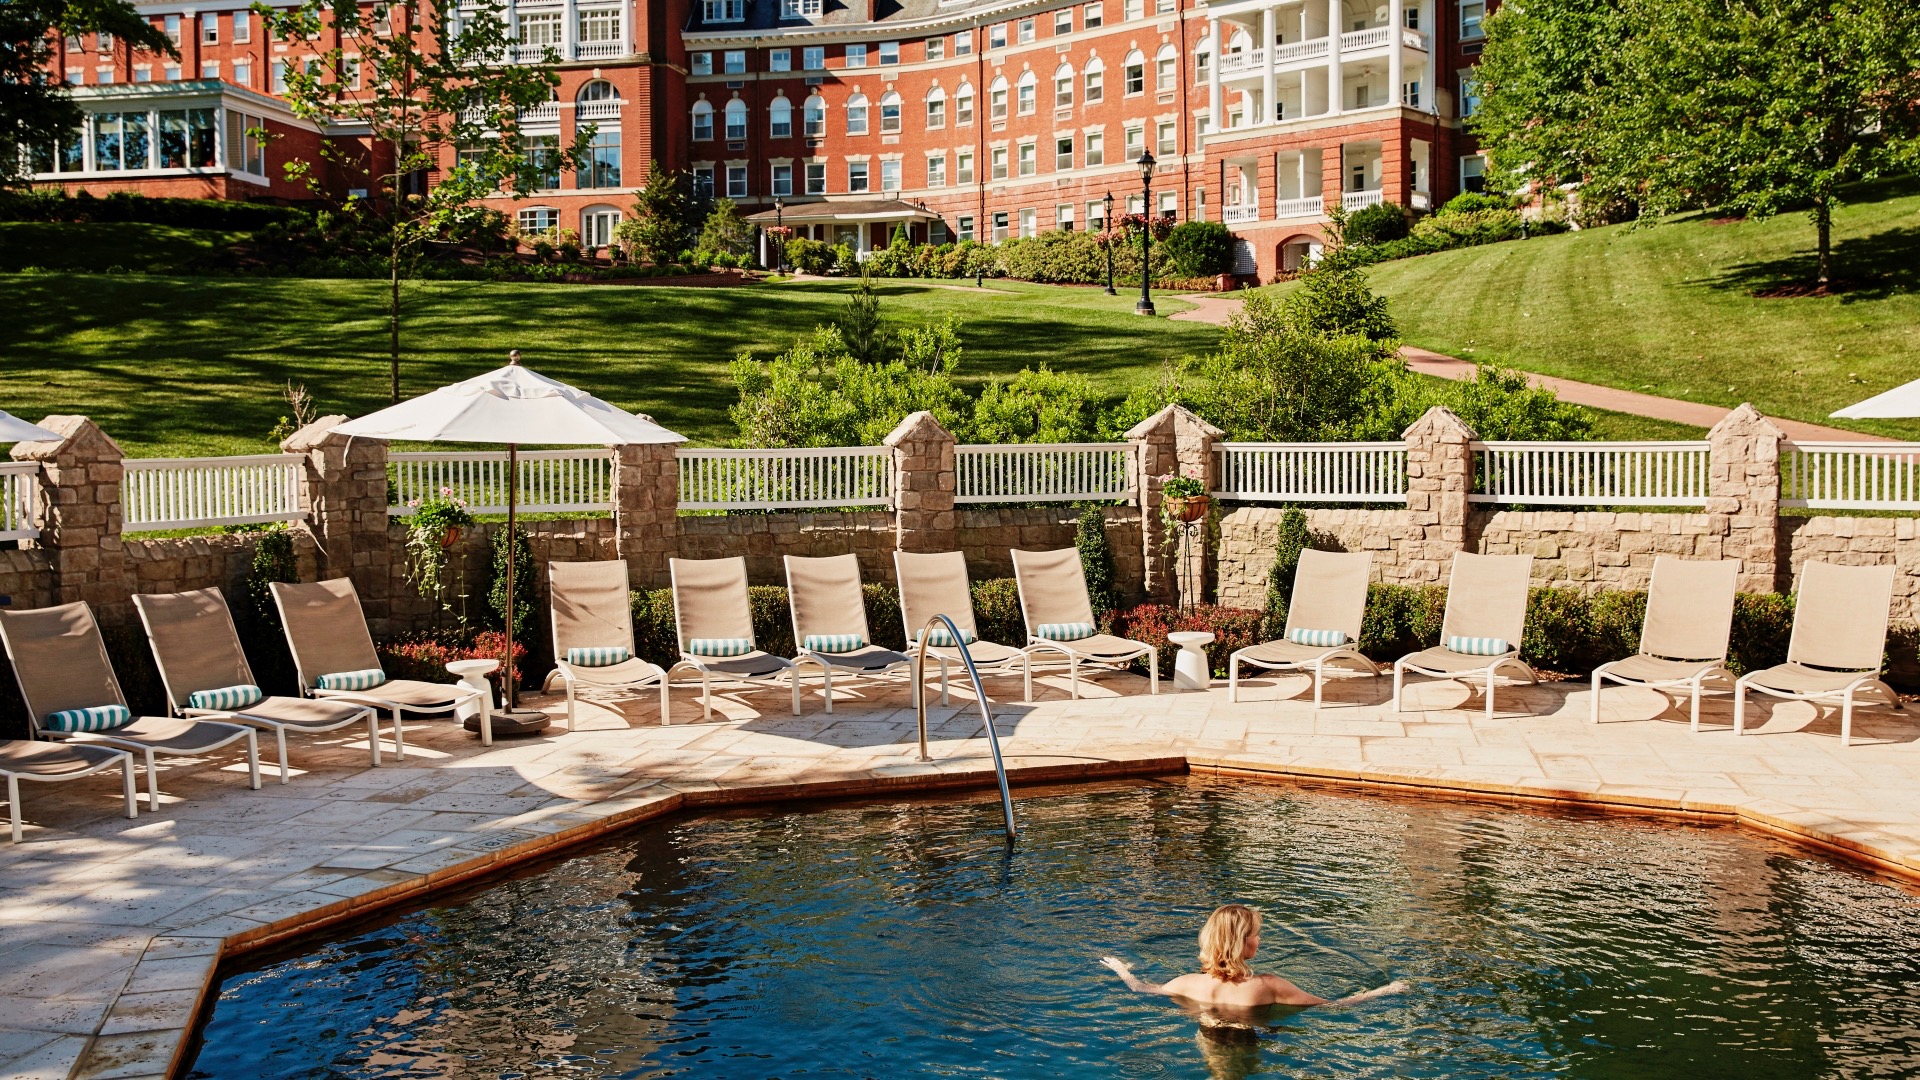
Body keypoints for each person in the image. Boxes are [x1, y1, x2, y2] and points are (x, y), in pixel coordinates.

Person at [1100, 903, 1406, 1008]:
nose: (1259, 940)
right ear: (1241, 943)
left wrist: (1122, 969)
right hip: (1252, 1041)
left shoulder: (1186, 983)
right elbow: (1334, 1006)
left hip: (1207, 1038)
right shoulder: (1268, 985)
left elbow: (1140, 988)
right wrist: (1386, 990)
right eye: (1255, 934)